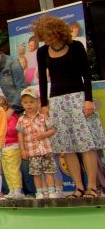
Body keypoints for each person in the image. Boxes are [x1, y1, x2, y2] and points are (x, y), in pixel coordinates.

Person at [34, 15, 105, 199]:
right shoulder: (42, 52)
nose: (47, 40)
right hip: (57, 101)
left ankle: (92, 187)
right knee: (66, 146)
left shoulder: (76, 47)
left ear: (58, 32)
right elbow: (43, 78)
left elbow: (87, 74)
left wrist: (88, 100)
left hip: (78, 98)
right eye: (44, 37)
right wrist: (44, 104)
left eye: (49, 35)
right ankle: (78, 187)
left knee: (85, 144)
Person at [17, 86, 61, 199]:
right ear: (22, 104)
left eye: (32, 102)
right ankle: (40, 192)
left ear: (38, 103)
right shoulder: (21, 119)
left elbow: (53, 129)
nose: (29, 104)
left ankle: (51, 191)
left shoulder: (43, 117)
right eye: (26, 102)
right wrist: (22, 150)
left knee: (49, 171)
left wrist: (44, 135)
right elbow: (20, 135)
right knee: (36, 173)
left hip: (45, 150)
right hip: (32, 151)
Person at [0, 96, 23, 199]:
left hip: (13, 147)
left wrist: (2, 128)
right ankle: (11, 189)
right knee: (6, 170)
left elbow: (12, 130)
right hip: (3, 148)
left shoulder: (13, 117)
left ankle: (17, 190)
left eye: (0, 107)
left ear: (5, 106)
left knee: (13, 169)